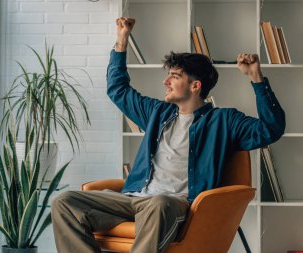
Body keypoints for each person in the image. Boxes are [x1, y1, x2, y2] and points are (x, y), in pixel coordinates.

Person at [51, 17, 286, 253]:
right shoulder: (157, 112)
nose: (166, 81)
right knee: (64, 202)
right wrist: (122, 40)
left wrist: (256, 77)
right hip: (132, 198)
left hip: (173, 204)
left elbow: (270, 130)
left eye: (174, 76)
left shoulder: (224, 121)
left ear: (195, 86)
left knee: (159, 203)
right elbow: (118, 89)